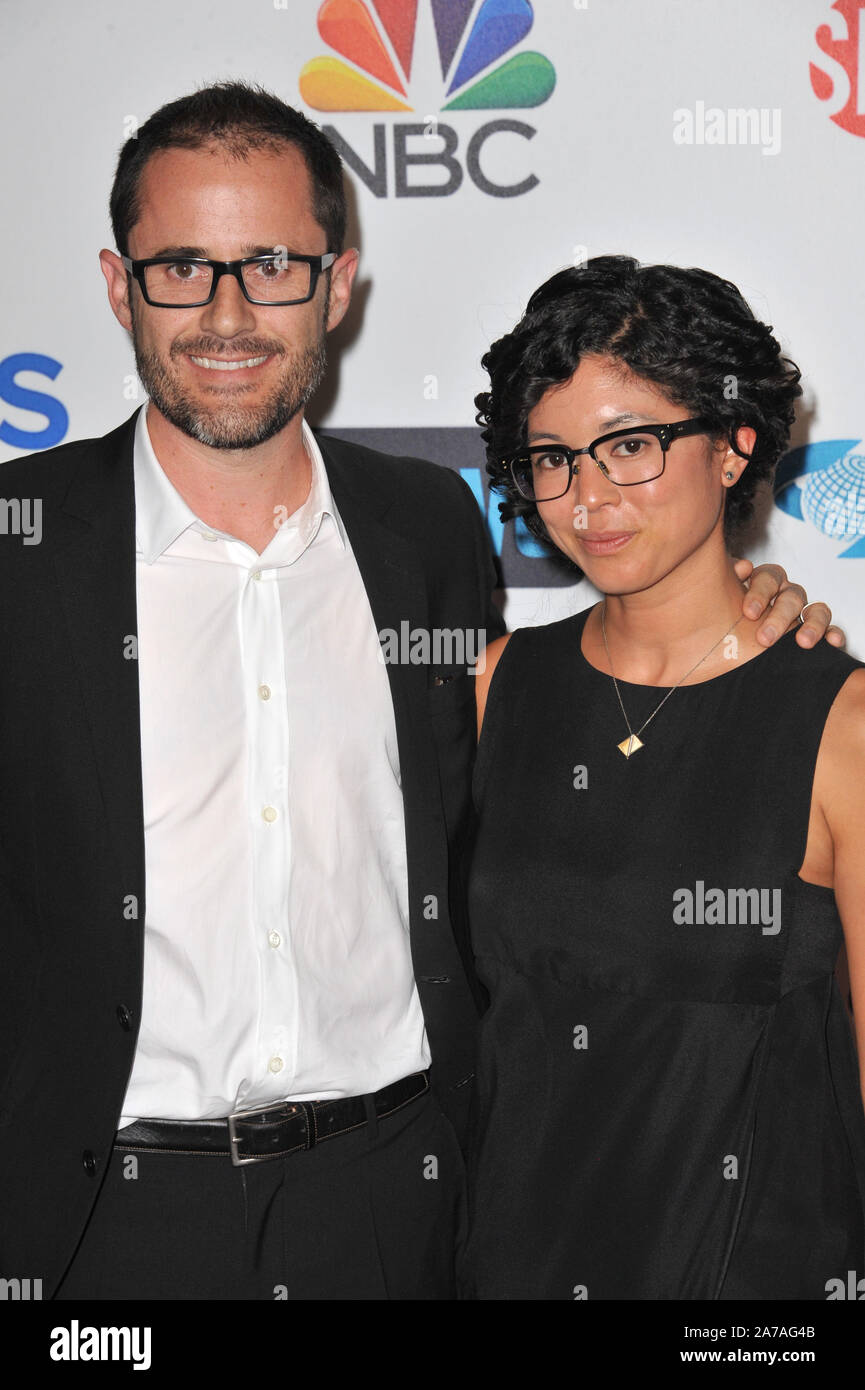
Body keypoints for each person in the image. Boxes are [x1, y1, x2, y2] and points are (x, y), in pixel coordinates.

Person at [0, 86, 837, 1302]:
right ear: (119, 285)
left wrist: (759, 642)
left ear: (336, 287)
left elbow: (596, 725)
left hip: (400, 1208)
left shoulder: (424, 528)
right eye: (181, 266)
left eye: (273, 264)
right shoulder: (19, 551)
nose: (227, 312)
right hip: (97, 1226)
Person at [463, 255, 865, 1301]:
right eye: (553, 456)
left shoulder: (842, 724)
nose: (586, 496)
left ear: (734, 448)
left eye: (630, 446)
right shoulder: (499, 685)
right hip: (511, 1263)